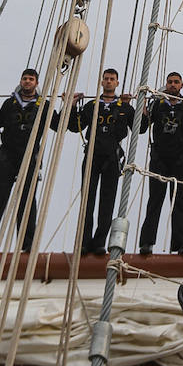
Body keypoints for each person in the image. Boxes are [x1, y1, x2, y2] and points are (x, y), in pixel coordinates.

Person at [0, 68, 50, 254]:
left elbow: (58, 123)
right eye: (24, 79)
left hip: (29, 155)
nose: (27, 82)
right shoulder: (10, 103)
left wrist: (70, 106)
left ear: (36, 83)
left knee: (27, 199)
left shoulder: (43, 105)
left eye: (31, 79)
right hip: (8, 155)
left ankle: (27, 243)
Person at [138, 72, 183, 257]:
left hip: (180, 159)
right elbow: (142, 128)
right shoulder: (157, 104)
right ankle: (147, 242)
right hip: (159, 158)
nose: (172, 85)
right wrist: (143, 111)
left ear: (181, 86)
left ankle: (181, 243)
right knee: (155, 200)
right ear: (166, 84)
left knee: (179, 202)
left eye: (176, 82)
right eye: (169, 82)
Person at [65, 68, 134, 255]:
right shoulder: (92, 105)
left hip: (112, 156)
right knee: (87, 200)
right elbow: (74, 126)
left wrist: (140, 108)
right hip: (93, 156)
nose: (109, 82)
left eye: (112, 79)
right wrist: (71, 105)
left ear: (117, 83)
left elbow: (140, 128)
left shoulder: (124, 106)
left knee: (107, 201)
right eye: (106, 79)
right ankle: (84, 241)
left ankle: (99, 241)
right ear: (102, 82)